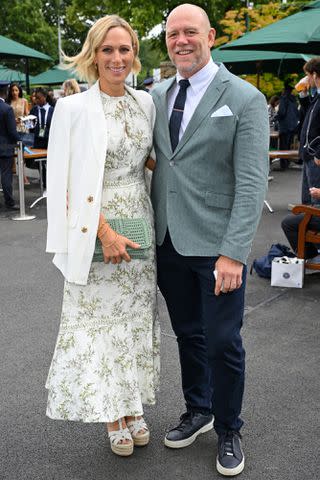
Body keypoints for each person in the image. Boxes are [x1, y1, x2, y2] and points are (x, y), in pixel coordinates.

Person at [151, 4, 269, 477]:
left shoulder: (244, 98)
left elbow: (252, 182)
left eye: (190, 33)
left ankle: (229, 428)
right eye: (173, 34)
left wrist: (234, 253)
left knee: (223, 340)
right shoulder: (155, 95)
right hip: (169, 242)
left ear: (211, 36)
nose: (181, 41)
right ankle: (198, 410)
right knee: (188, 334)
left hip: (219, 249)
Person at [45, 14, 160, 458]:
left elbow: (148, 160)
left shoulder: (145, 104)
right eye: (107, 49)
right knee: (100, 324)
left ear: (134, 55)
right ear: (93, 55)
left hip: (141, 224)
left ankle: (132, 407)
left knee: (133, 323)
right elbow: (64, 181)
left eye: (125, 49)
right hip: (96, 227)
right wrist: (105, 233)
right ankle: (112, 414)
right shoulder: (72, 109)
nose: (117, 58)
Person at [295, 57, 320, 204]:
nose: (306, 79)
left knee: (315, 203)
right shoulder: (317, 95)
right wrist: (303, 94)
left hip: (315, 155)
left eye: (308, 75)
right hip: (309, 153)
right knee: (307, 201)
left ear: (315, 75)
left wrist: (318, 153)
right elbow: (308, 115)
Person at [0, 81, 20, 210]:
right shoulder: (7, 109)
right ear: (6, 91)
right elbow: (12, 132)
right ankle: (9, 202)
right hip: (5, 146)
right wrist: (20, 141)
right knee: (6, 175)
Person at [30, 87, 54, 189]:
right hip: (38, 139)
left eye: (38, 98)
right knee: (40, 162)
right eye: (35, 98)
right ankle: (44, 182)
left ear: (44, 97)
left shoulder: (53, 110)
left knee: (50, 162)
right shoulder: (34, 110)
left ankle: (51, 181)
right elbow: (30, 126)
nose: (36, 100)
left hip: (49, 139)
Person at [7, 83, 30, 184]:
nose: (14, 92)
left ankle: (23, 176)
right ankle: (12, 172)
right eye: (12, 90)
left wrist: (22, 119)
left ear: (19, 91)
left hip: (22, 128)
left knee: (22, 154)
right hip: (12, 129)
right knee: (11, 153)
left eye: (16, 90)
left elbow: (27, 115)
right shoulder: (8, 102)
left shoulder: (24, 101)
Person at [276, 82, 300, 169]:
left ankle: (283, 165)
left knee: (283, 146)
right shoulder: (294, 100)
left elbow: (281, 112)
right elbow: (297, 113)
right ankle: (287, 163)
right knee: (288, 146)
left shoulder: (283, 99)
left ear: (284, 90)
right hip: (292, 126)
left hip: (285, 126)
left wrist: (276, 117)